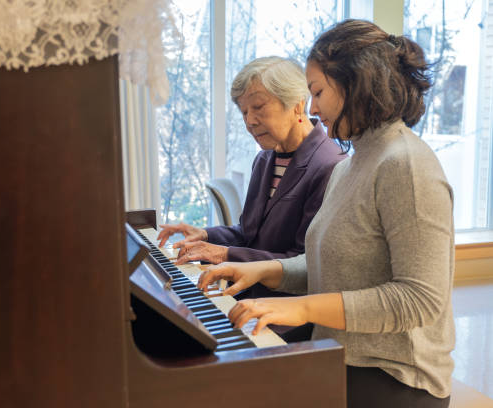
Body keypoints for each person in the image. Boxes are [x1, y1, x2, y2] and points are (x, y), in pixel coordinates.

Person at [198, 20, 454, 408]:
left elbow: (419, 299)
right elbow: (330, 266)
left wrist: (299, 307)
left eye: (317, 92)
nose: (312, 108)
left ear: (357, 82)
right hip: (340, 354)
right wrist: (264, 270)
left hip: (394, 375)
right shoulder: (349, 166)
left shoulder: (406, 165)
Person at [157, 56, 345, 275]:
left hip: (283, 304)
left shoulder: (330, 166)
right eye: (244, 111)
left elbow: (305, 262)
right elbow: (250, 235)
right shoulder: (264, 159)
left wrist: (224, 254)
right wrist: (205, 235)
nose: (250, 121)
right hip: (247, 294)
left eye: (258, 107)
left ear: (297, 104)